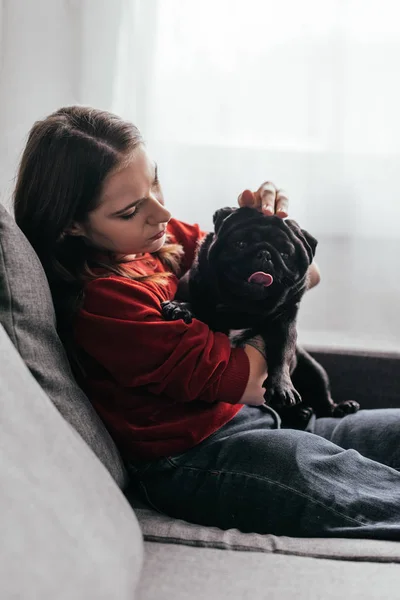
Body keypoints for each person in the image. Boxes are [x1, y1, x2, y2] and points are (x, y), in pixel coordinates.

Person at [14, 105, 400, 540]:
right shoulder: (107, 302)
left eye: (155, 182)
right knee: (316, 467)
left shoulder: (161, 237)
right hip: (198, 458)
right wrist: (276, 298)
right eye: (130, 210)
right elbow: (254, 379)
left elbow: (309, 272)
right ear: (71, 224)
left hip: (264, 417)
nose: (160, 212)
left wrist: (273, 229)